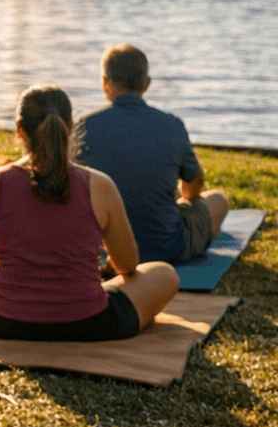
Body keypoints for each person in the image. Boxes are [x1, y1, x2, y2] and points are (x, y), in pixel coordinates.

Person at [0, 85, 179, 341]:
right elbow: (127, 265)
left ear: (19, 130)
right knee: (164, 274)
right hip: (89, 324)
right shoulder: (100, 185)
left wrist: (3, 251)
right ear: (70, 127)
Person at [76, 44, 230, 263]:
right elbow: (194, 186)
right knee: (217, 200)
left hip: (104, 250)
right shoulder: (172, 125)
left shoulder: (84, 126)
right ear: (146, 84)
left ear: (105, 83)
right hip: (163, 249)